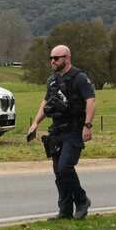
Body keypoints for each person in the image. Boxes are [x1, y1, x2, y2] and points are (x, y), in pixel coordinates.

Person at [27, 45, 96, 220]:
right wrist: (35, 123)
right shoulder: (52, 81)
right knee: (58, 172)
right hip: (57, 131)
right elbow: (45, 103)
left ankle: (81, 201)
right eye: (51, 58)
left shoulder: (79, 78)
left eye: (56, 58)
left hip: (74, 130)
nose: (52, 61)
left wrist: (87, 126)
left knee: (65, 167)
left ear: (67, 58)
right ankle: (65, 210)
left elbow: (90, 101)